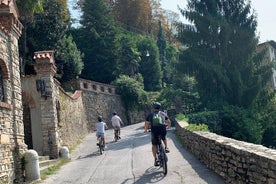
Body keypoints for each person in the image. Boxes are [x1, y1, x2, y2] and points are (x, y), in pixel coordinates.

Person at [144, 102, 171, 167]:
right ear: (159, 107)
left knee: (154, 145)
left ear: (153, 108)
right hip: (163, 129)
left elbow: (146, 124)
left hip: (154, 131)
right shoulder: (163, 113)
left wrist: (145, 130)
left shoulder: (150, 114)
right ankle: (166, 147)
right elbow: (168, 121)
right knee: (164, 137)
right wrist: (168, 127)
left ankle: (156, 159)